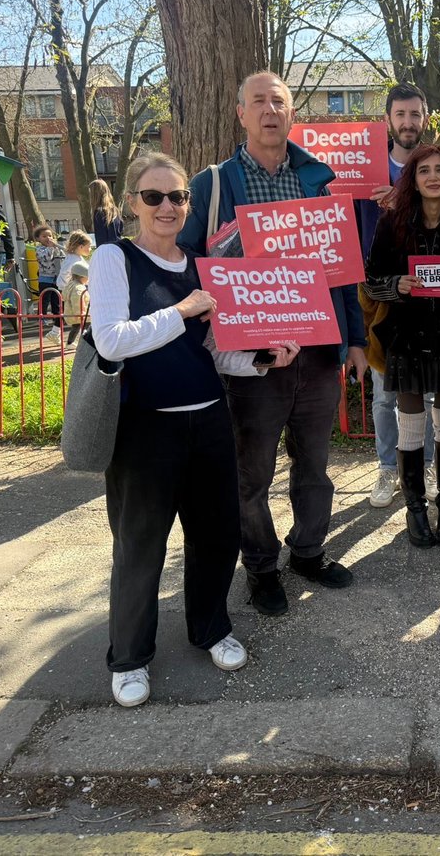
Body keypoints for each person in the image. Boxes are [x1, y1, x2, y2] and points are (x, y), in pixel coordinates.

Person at [90, 152, 298, 707]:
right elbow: (112, 341)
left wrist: (260, 359)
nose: (167, 206)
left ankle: (211, 627)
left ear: (189, 203)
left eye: (178, 196)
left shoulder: (203, 265)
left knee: (214, 536)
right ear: (132, 202)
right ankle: (130, 656)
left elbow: (214, 353)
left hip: (207, 420)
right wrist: (181, 310)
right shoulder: (115, 259)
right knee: (140, 545)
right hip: (144, 429)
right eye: (154, 196)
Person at [178, 70, 367, 617]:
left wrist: (354, 338)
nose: (268, 110)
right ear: (240, 113)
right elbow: (186, 266)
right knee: (251, 470)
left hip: (317, 350)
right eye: (258, 101)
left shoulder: (319, 183)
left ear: (290, 114)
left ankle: (308, 551)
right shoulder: (210, 186)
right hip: (251, 357)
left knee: (315, 464)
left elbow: (341, 272)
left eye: (278, 102)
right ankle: (260, 566)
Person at [363, 143, 440, 546]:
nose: (433, 177)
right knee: (410, 421)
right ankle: (415, 510)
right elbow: (371, 281)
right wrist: (397, 285)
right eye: (424, 170)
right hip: (405, 335)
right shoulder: (391, 224)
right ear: (412, 178)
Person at [359, 82, 435, 508]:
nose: (408, 122)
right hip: (377, 293)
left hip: (426, 288)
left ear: (425, 118)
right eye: (400, 114)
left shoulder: (433, 165)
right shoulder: (364, 167)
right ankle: (388, 467)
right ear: (388, 119)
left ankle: (420, 462)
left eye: (415, 114)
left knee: (423, 390)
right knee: (384, 392)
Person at [33, 224, 65, 341]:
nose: (48, 238)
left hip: (56, 278)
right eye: (44, 236)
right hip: (45, 278)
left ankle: (57, 318)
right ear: (38, 239)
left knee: (56, 300)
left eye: (50, 235)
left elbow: (62, 256)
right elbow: (46, 258)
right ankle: (42, 316)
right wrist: (51, 248)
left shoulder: (56, 247)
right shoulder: (39, 249)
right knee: (44, 298)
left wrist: (56, 247)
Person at [61, 258, 90, 346]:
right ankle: (82, 343)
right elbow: (77, 301)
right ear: (82, 276)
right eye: (87, 277)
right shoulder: (79, 288)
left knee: (76, 328)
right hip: (80, 314)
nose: (88, 280)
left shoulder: (70, 284)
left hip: (72, 313)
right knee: (85, 327)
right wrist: (80, 314)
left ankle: (71, 342)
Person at [90, 178, 124, 245]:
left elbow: (101, 238)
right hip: (118, 247)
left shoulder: (99, 213)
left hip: (106, 250)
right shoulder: (115, 210)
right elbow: (120, 231)